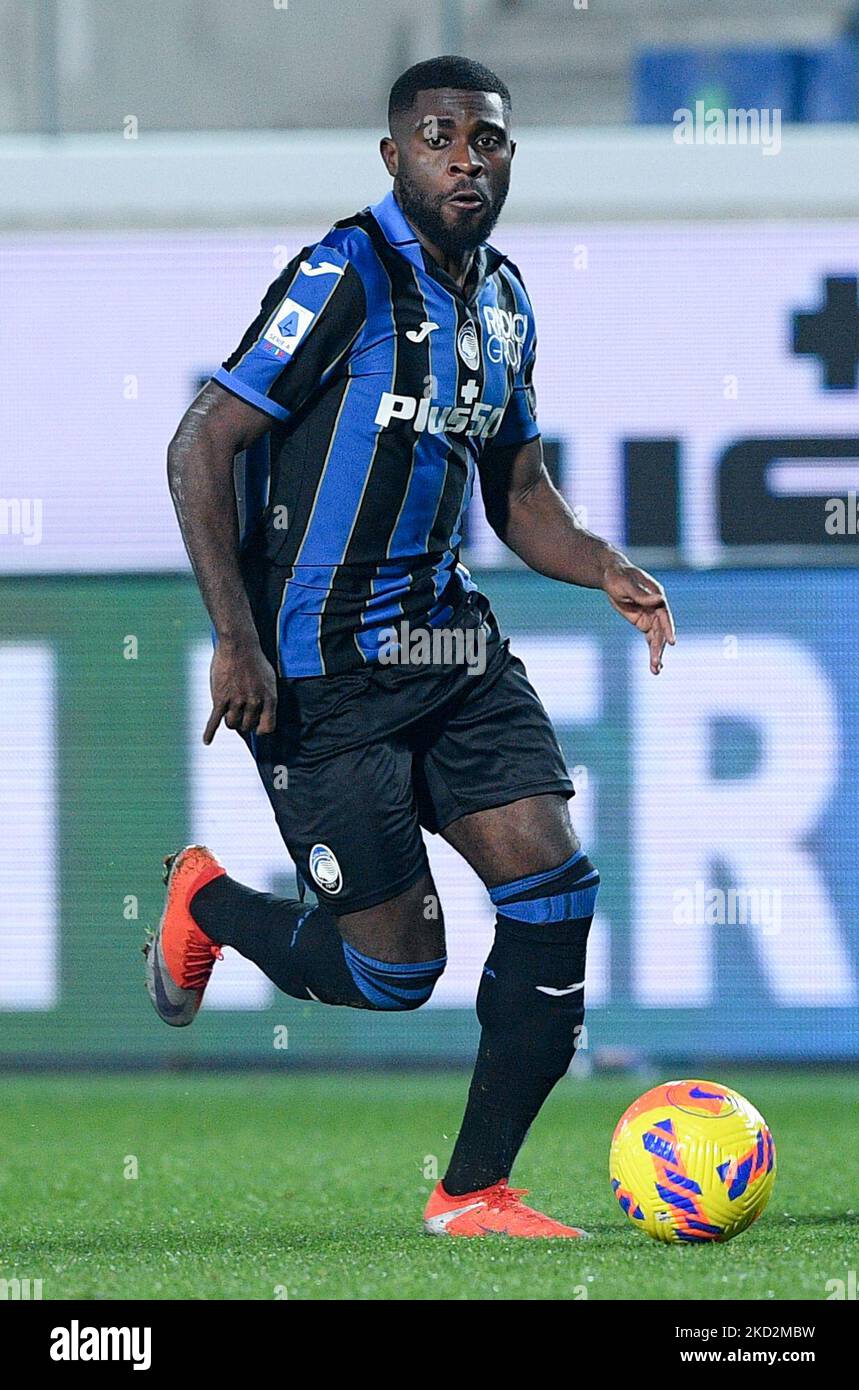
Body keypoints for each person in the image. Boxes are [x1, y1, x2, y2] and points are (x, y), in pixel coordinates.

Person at [146, 55, 675, 1237]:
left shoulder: (504, 299)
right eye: (439, 137)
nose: (464, 159)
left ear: (508, 159)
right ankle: (209, 904)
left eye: (485, 140)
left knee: (553, 885)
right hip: (318, 670)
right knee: (393, 975)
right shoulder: (344, 271)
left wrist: (604, 565)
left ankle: (473, 1189)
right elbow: (200, 441)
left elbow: (519, 488)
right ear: (395, 156)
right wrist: (235, 635)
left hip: (449, 648)